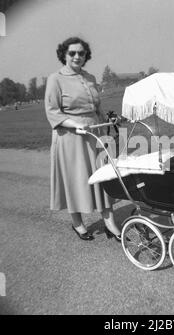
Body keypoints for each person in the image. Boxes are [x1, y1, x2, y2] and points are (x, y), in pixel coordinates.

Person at [44, 36, 121, 242]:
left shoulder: (90, 77)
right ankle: (77, 222)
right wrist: (75, 124)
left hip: (95, 133)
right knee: (75, 178)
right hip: (70, 137)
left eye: (81, 53)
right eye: (72, 53)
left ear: (86, 55)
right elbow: (53, 112)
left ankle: (109, 222)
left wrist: (109, 119)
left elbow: (97, 107)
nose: (77, 56)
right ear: (64, 55)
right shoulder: (55, 79)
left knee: (103, 175)